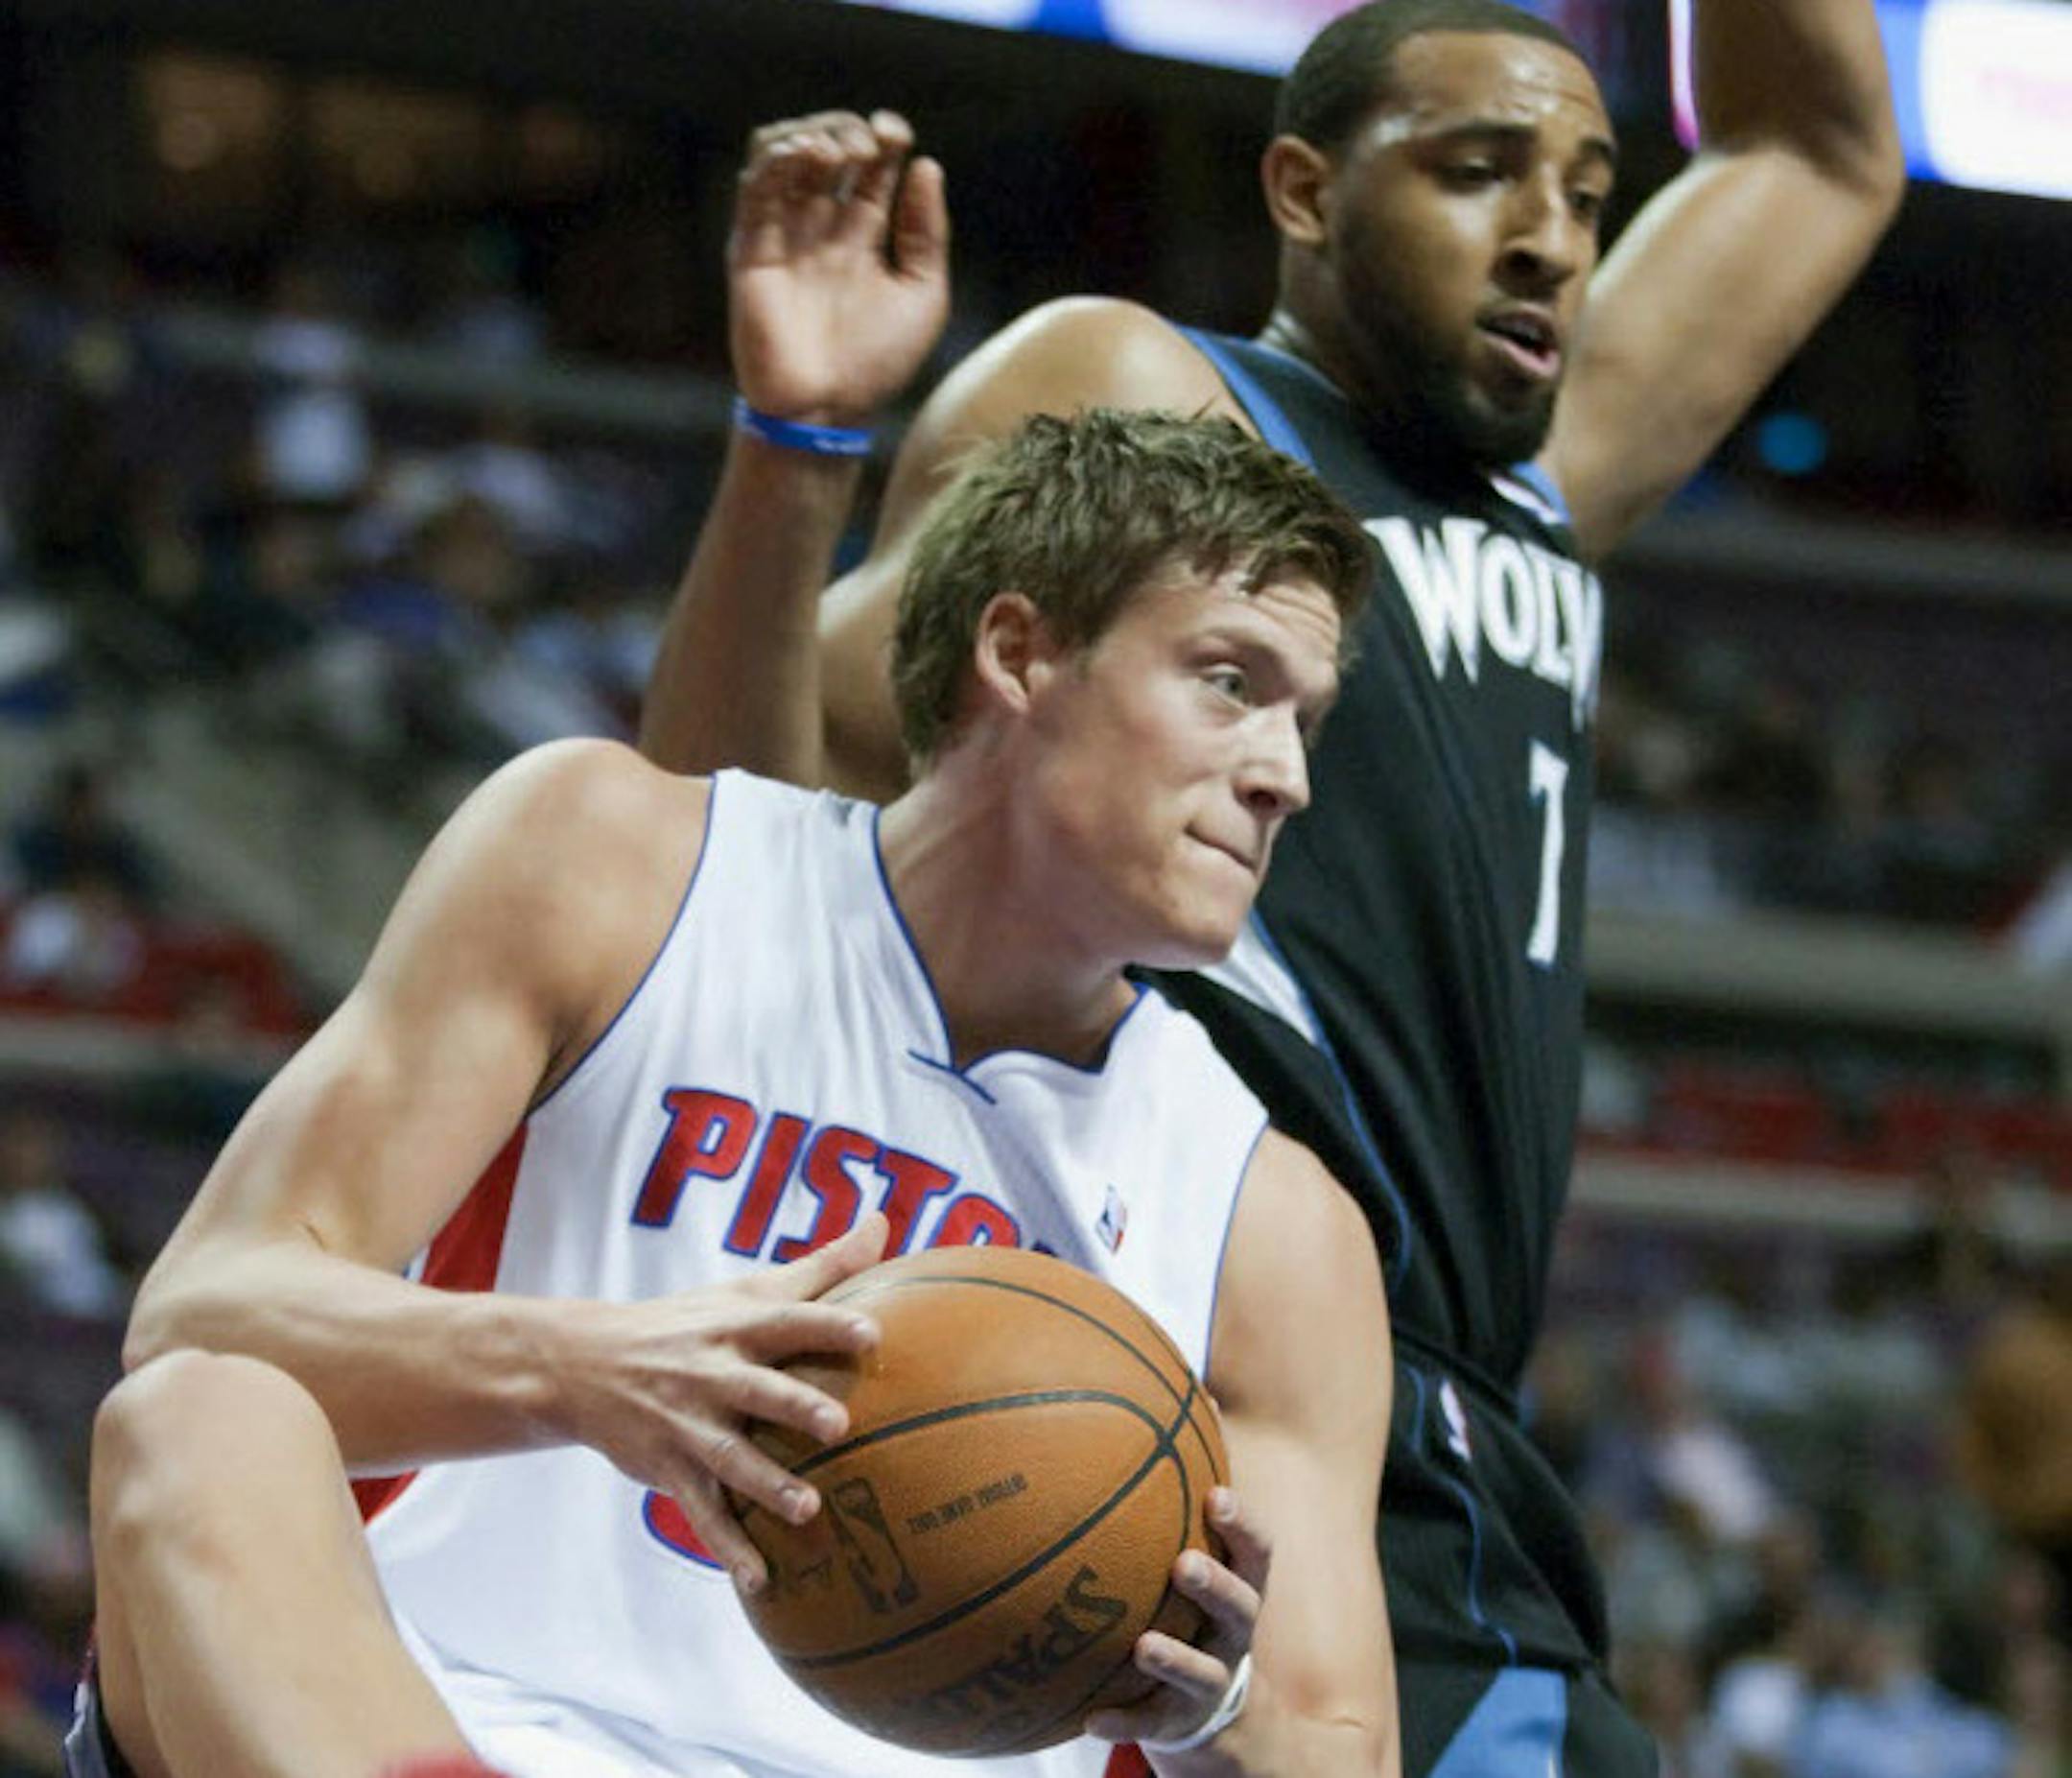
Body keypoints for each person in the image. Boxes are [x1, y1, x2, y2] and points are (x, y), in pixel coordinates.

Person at [638, 4, 1905, 1771]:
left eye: (1590, 187)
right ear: (1303, 190)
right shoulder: (1156, 403)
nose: (1550, 228)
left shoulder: (1541, 476)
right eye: (1476, 172)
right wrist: (790, 447)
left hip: (1444, 1412)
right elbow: (738, 823)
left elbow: (1821, 147)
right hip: (1213, 1374)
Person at [74, 406, 1400, 1778]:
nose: (1283, 776)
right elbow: (201, 1310)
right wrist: (586, 1372)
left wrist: (1210, 1709)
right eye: (1231, 683)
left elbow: (1347, 1748)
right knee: (197, 1420)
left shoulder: (1271, 1216)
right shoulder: (618, 860)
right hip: (448, 1722)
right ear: (1021, 653)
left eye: (1308, 721)